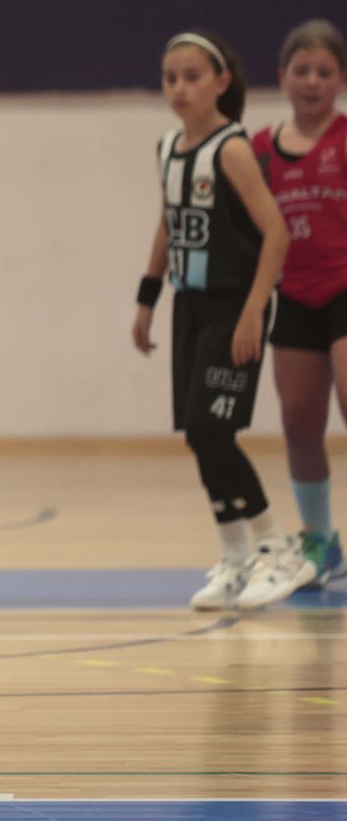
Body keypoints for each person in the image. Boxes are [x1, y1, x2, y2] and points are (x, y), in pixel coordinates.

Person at [130, 31, 303, 611]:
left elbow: (276, 232)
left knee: (212, 431)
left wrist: (254, 310)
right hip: (191, 305)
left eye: (192, 76)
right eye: (170, 77)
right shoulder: (167, 149)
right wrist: (147, 299)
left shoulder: (230, 149)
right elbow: (168, 223)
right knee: (199, 435)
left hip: (234, 303)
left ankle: (280, 549)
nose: (179, 87)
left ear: (221, 82)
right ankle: (234, 557)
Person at [252, 18, 347, 592]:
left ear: (340, 80)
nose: (312, 81)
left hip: (345, 290)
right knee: (298, 421)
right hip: (294, 296)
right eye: (302, 70)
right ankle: (320, 539)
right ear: (283, 76)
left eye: (325, 71)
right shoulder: (260, 149)